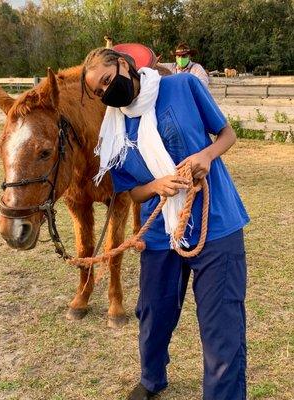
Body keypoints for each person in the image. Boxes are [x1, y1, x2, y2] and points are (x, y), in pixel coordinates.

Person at [81, 47, 249, 400]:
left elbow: (226, 135)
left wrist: (205, 155)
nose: (106, 93)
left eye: (108, 81)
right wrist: (156, 186)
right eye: (99, 92)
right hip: (161, 232)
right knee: (153, 312)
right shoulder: (114, 129)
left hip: (213, 219)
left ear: (124, 65)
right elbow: (134, 192)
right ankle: (151, 378)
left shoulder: (184, 86)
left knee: (222, 326)